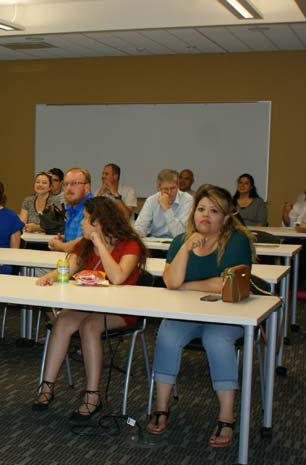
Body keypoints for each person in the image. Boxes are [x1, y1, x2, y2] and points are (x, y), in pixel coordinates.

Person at [146, 185, 255, 448]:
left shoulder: (236, 241)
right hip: (189, 313)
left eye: (214, 211)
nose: (205, 215)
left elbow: (226, 284)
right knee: (167, 334)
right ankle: (161, 407)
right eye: (201, 209)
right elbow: (171, 282)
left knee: (216, 340)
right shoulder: (180, 240)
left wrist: (188, 284)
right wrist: (185, 249)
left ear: (226, 218)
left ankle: (226, 417)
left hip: (229, 313)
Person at [32, 196, 146, 418]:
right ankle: (46, 387)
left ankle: (92, 395)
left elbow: (118, 277)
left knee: (90, 327)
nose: (81, 223)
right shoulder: (85, 244)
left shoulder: (130, 245)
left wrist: (100, 244)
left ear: (99, 223)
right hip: (91, 304)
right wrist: (51, 276)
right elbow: (70, 268)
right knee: (63, 320)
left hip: (122, 309)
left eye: (86, 219)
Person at [135, 169, 193, 238]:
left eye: (173, 188)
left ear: (178, 186)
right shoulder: (151, 200)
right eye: (165, 189)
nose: (169, 192)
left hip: (177, 245)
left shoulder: (187, 200)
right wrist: (138, 233)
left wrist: (167, 208)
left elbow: (180, 235)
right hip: (155, 245)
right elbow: (140, 228)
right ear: (159, 188)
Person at [48, 167, 93, 253]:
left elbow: (84, 244)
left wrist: (60, 245)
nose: (68, 188)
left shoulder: (91, 208)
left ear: (87, 187)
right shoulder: (72, 208)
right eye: (66, 184)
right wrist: (63, 240)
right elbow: (76, 239)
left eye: (74, 183)